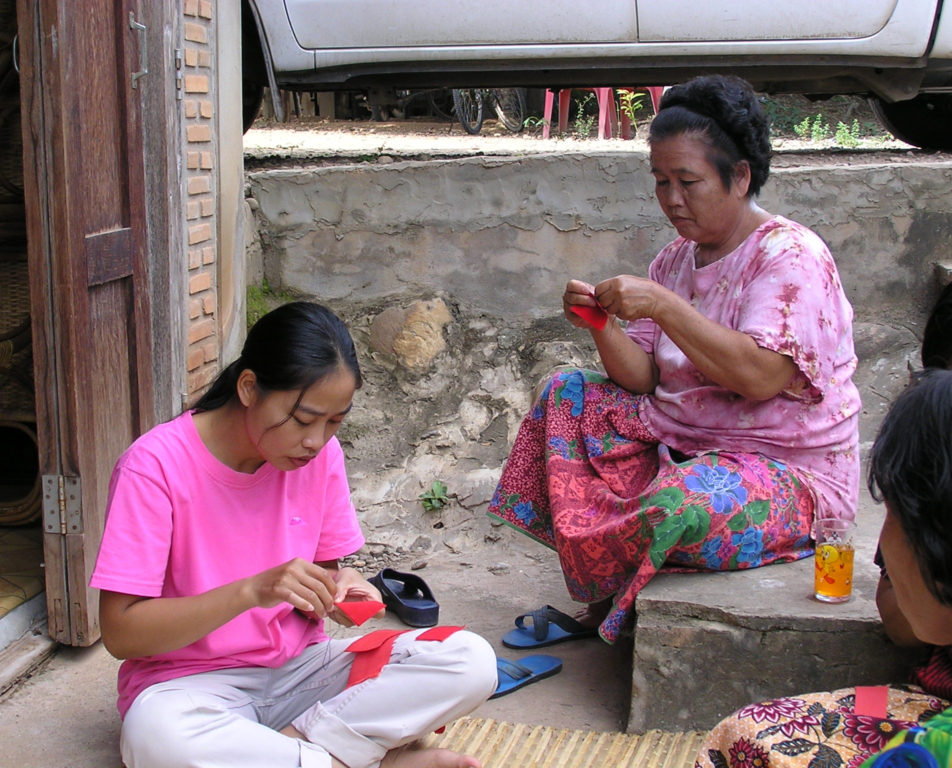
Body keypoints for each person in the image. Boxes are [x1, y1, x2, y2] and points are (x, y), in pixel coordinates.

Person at [488, 75, 861, 645]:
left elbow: (761, 376)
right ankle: (607, 576)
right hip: (680, 442)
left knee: (685, 503)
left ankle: (622, 573)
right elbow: (644, 377)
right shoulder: (674, 259)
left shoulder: (791, 257)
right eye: (661, 181)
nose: (672, 199)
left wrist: (663, 305)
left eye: (688, 181)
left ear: (739, 176)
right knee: (566, 393)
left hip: (786, 471)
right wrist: (601, 325)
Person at [90, 301, 497, 768]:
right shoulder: (154, 467)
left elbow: (323, 572)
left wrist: (339, 589)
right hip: (190, 687)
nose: (316, 441)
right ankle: (369, 759)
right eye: (304, 420)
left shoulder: (320, 458)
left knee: (468, 660)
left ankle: (299, 748)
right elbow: (121, 634)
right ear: (249, 388)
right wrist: (251, 591)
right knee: (156, 739)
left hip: (302, 674)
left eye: (334, 422)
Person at [695, 367, 952, 768]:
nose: (883, 537)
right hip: (923, 696)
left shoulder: (931, 752)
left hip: (926, 710)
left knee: (745, 744)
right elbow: (905, 626)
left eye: (895, 511)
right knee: (746, 732)